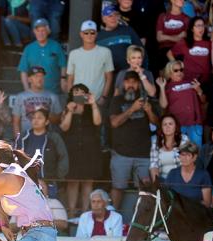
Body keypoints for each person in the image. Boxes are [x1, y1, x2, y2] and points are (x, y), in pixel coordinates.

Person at [109, 71, 160, 209]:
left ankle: (143, 222)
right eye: (128, 82)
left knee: (144, 190)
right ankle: (112, 220)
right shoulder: (117, 100)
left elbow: (158, 124)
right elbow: (114, 123)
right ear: (123, 84)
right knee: (117, 187)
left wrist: (149, 111)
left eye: (134, 82)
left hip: (143, 154)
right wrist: (132, 109)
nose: (131, 84)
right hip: (121, 153)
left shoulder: (146, 99)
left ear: (138, 84)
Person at [60, 84, 103, 217]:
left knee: (87, 181)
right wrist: (70, 111)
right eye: (76, 91)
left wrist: (93, 103)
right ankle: (72, 213)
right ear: (71, 94)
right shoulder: (67, 109)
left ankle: (85, 214)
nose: (78, 94)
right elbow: (64, 127)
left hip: (89, 149)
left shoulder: (91, 108)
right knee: (72, 181)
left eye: (82, 92)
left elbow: (98, 122)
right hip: (72, 149)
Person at [66, 21, 114, 108]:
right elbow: (70, 79)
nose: (89, 35)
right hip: (78, 100)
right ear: (81, 34)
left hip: (97, 100)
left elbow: (109, 77)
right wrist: (71, 98)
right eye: (86, 33)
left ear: (96, 34)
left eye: (92, 32)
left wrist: (103, 97)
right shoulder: (73, 54)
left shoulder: (106, 52)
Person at [156, 60, 206, 146]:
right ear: (169, 72)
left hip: (194, 124)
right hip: (178, 126)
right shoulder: (167, 87)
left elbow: (203, 100)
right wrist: (161, 87)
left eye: (181, 70)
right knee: (179, 154)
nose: (179, 72)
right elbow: (163, 105)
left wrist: (199, 90)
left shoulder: (191, 82)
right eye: (176, 70)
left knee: (197, 153)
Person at [16, 108, 69, 181]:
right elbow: (16, 157)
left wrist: (57, 177)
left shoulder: (54, 138)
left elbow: (63, 157)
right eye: (34, 118)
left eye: (40, 118)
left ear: (47, 122)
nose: (36, 120)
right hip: (27, 180)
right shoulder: (24, 137)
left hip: (49, 180)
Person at [17, 18, 67, 96]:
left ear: (48, 31)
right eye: (38, 30)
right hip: (35, 94)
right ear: (34, 32)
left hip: (54, 92)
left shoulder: (56, 46)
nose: (40, 33)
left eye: (43, 30)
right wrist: (27, 90)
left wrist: (63, 79)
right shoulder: (28, 48)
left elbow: (63, 65)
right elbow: (23, 71)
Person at [11, 66, 61, 136]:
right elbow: (16, 122)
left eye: (42, 76)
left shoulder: (53, 96)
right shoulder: (21, 97)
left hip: (47, 138)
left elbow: (59, 120)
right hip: (26, 138)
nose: (40, 79)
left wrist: (46, 113)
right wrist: (18, 141)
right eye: (36, 76)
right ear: (29, 79)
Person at [97, 4, 144, 75]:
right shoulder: (98, 37)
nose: (113, 18)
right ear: (103, 19)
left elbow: (141, 50)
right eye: (110, 16)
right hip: (107, 77)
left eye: (116, 15)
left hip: (129, 76)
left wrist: (143, 70)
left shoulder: (128, 30)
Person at [154, 0, 191, 75]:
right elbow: (159, 37)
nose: (182, 0)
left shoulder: (186, 18)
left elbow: (186, 37)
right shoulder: (163, 16)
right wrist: (177, 37)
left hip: (180, 51)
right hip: (163, 51)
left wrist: (166, 37)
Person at [149, 113, 189, 182]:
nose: (167, 126)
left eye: (170, 124)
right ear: (161, 128)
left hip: (181, 179)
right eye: (165, 124)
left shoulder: (184, 139)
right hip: (163, 180)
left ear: (175, 127)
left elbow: (187, 163)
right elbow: (153, 164)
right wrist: (156, 183)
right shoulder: (156, 142)